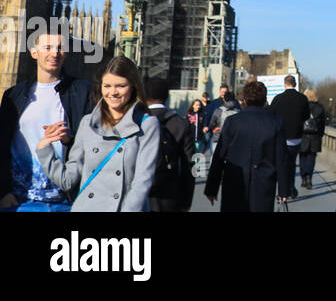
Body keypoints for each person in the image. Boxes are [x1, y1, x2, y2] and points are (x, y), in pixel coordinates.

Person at [36, 56, 160, 212]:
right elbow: (68, 180)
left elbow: (143, 181)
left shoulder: (147, 125)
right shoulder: (88, 123)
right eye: (107, 86)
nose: (112, 92)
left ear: (133, 87)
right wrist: (44, 150)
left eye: (121, 86)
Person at [0, 30, 95, 211]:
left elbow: (95, 143)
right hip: (19, 200)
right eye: (48, 47)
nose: (55, 53)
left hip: (67, 201)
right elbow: (1, 145)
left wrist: (70, 138)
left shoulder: (83, 91)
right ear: (34, 52)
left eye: (60, 48)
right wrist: (3, 192)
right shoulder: (14, 95)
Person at [204, 78, 290, 212]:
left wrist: (211, 188)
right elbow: (282, 159)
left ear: (244, 99)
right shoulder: (276, 123)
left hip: (234, 181)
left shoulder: (232, 122)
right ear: (264, 99)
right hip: (264, 182)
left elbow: (220, 156)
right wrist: (284, 190)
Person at [143, 77, 195, 212]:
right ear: (166, 96)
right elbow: (190, 165)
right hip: (169, 194)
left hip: (139, 194)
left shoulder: (136, 121)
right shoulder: (181, 124)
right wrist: (186, 201)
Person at [269, 74, 310, 197]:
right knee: (292, 164)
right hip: (296, 136)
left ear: (284, 84)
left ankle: (283, 192)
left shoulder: (277, 99)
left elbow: (271, 116)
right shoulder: (302, 98)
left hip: (281, 136)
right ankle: (291, 188)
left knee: (281, 165)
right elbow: (306, 116)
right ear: (295, 84)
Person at [298, 88, 326, 191]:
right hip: (315, 136)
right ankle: (309, 176)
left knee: (302, 157)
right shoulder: (320, 107)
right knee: (311, 157)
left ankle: (303, 178)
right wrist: (321, 134)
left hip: (302, 135)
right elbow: (323, 123)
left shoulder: (301, 107)